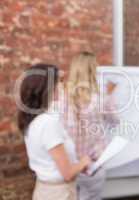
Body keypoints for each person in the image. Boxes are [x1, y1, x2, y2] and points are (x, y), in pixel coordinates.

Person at [17, 64, 91, 200]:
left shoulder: (34, 119)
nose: (61, 87)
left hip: (45, 189)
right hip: (59, 193)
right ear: (47, 88)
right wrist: (84, 162)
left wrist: (77, 164)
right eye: (58, 82)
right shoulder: (48, 123)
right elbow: (67, 174)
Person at [63, 51, 118, 200]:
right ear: (93, 70)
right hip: (93, 166)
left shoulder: (62, 97)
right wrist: (110, 94)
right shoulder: (100, 98)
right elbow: (115, 121)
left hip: (69, 166)